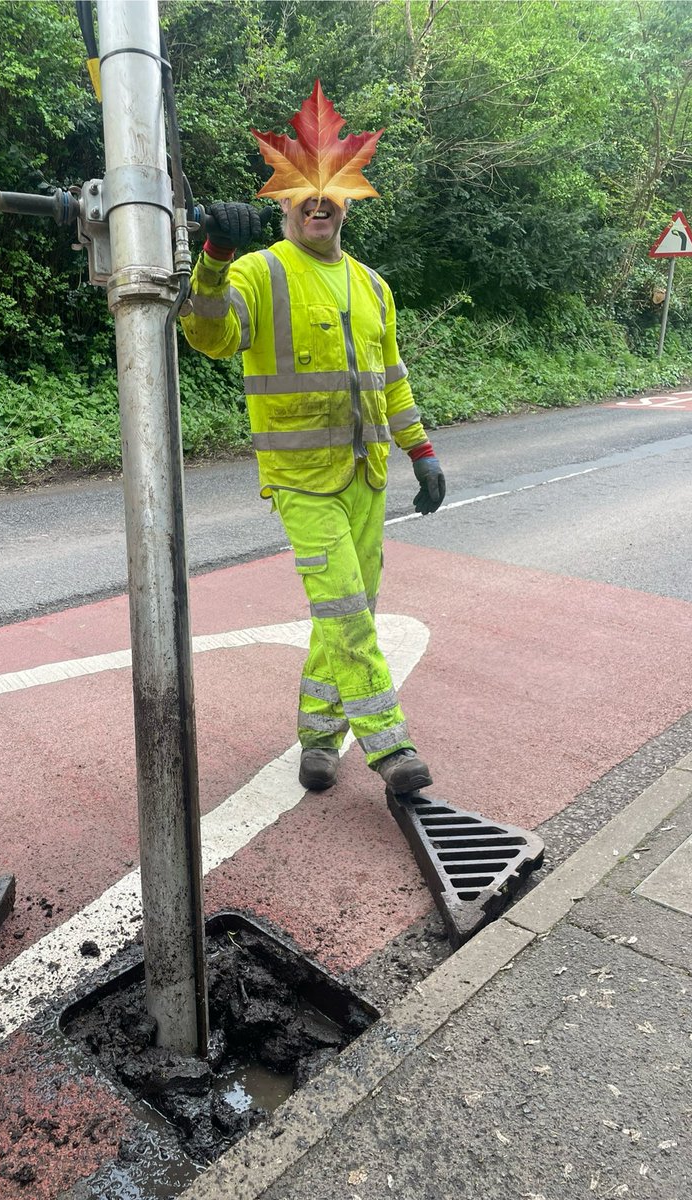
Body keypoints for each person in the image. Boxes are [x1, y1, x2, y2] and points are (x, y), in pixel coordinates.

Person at [180, 92, 446, 797]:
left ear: (349, 200)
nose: (318, 204)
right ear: (284, 202)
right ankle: (391, 747)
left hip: (367, 477)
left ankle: (320, 739)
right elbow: (210, 335)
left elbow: (391, 379)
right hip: (300, 480)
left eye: (331, 193)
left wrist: (420, 452)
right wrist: (212, 258)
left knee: (345, 611)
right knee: (347, 612)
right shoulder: (260, 271)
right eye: (304, 193)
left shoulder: (372, 286)